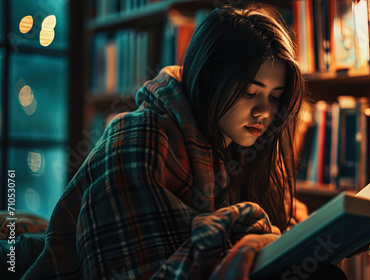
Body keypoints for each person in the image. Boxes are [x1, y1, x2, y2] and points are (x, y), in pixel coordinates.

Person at [20, 3, 324, 279]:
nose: (264, 112)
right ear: (207, 80)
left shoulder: (245, 150)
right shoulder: (140, 135)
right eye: (249, 92)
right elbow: (135, 267)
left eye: (275, 97)